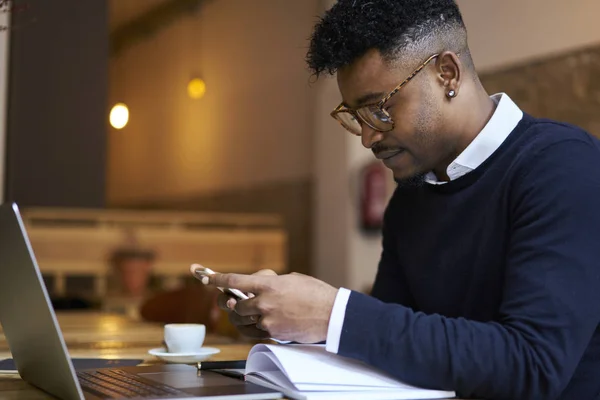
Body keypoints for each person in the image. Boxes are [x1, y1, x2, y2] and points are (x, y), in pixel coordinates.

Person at [203, 1, 600, 399]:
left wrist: (332, 315)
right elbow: (394, 348)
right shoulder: (412, 197)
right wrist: (293, 323)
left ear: (447, 73)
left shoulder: (563, 167)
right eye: (356, 116)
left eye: (379, 108)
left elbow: (532, 366)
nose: (368, 137)